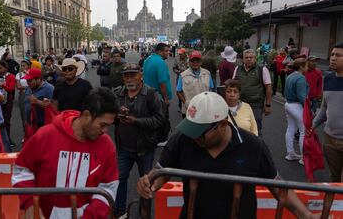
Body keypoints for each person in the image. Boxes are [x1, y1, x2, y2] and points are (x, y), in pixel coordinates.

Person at [137, 92, 320, 219]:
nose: (195, 138)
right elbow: (160, 171)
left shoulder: (253, 146)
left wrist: (306, 214)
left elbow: (277, 185)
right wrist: (149, 182)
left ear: (223, 124)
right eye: (191, 129)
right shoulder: (182, 140)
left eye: (201, 132)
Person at [12, 88, 120, 218]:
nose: (105, 130)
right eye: (102, 125)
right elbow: (22, 170)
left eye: (108, 125)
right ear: (86, 115)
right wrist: (30, 204)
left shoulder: (107, 146)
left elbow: (108, 187)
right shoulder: (46, 135)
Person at [113, 63, 165, 217]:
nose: (129, 79)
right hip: (124, 148)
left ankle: (144, 213)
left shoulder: (151, 94)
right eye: (126, 75)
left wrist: (136, 121)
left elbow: (159, 120)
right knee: (119, 180)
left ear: (140, 75)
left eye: (133, 75)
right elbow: (108, 116)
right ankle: (120, 213)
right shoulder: (118, 94)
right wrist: (117, 114)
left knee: (145, 184)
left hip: (145, 149)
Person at [312, 43, 343, 182]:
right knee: (335, 179)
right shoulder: (329, 79)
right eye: (332, 55)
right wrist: (313, 125)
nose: (333, 58)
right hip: (330, 139)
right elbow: (325, 108)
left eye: (338, 55)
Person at [233, 49, 272, 137]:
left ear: (255, 58)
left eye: (251, 57)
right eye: (246, 57)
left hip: (256, 105)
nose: (248, 59)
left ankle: (258, 149)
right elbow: (233, 85)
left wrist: (268, 105)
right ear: (243, 59)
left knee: (256, 129)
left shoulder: (262, 69)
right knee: (240, 127)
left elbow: (268, 87)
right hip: (240, 104)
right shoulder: (238, 69)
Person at [284, 58, 308, 165]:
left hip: (288, 104)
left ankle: (290, 153)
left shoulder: (290, 76)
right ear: (301, 67)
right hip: (297, 106)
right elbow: (302, 97)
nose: (307, 67)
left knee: (291, 129)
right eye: (306, 65)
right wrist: (308, 108)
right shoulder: (301, 78)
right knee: (303, 131)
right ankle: (303, 158)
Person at [176, 51, 213, 118]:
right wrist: (186, 103)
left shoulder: (207, 73)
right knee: (189, 128)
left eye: (197, 61)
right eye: (193, 61)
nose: (195, 63)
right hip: (189, 110)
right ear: (189, 62)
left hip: (203, 109)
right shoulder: (183, 75)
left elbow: (210, 89)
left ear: (201, 62)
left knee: (204, 127)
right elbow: (178, 91)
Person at [0, 60, 16, 146]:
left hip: (8, 101)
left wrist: (2, 85)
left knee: (6, 119)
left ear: (6, 68)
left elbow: (11, 89)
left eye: (1, 68)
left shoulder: (11, 76)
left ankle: (7, 138)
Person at [15, 60, 31, 127]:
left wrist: (28, 74)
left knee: (32, 113)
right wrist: (29, 87)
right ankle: (26, 132)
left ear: (28, 66)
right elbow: (18, 86)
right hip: (23, 95)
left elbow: (35, 84)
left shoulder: (31, 73)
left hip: (32, 94)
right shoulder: (19, 74)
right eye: (22, 65)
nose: (23, 67)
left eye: (24, 65)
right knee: (24, 113)